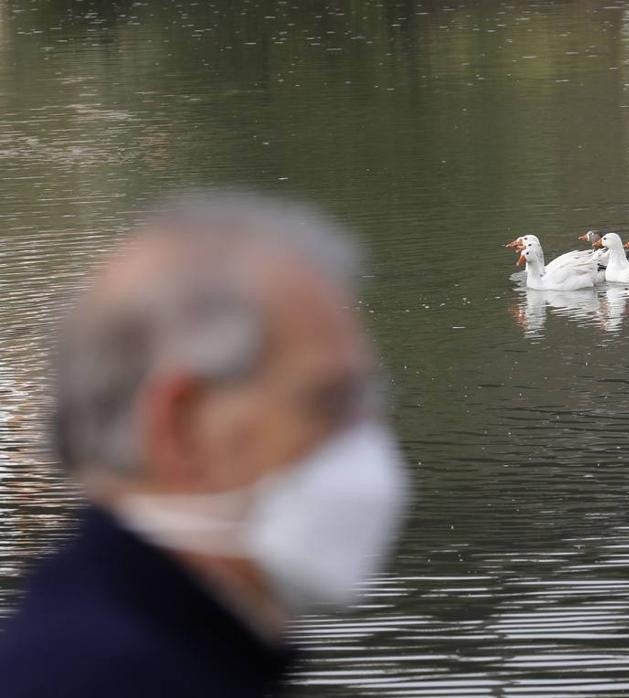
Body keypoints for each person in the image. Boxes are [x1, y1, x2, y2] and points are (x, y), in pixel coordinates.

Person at [0, 193, 410, 696]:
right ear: (179, 427)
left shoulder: (132, 642)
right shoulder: (112, 677)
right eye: (328, 402)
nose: (367, 440)